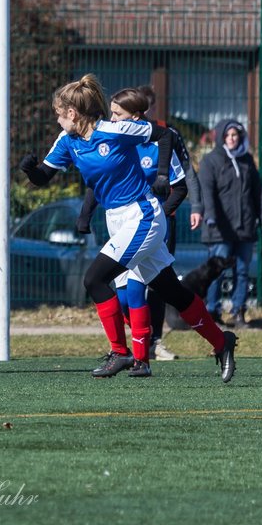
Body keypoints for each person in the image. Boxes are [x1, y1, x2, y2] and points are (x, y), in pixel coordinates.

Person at [19, 74, 238, 381]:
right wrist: (30, 169)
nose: (57, 120)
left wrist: (162, 174)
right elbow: (44, 176)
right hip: (118, 220)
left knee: (94, 280)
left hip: (143, 215)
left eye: (58, 113)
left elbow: (166, 136)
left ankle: (121, 353)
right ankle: (222, 342)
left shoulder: (115, 130)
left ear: (73, 113)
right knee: (170, 290)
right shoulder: (68, 141)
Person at [74, 85, 188, 374]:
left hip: (149, 223)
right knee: (125, 296)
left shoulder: (155, 144)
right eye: (111, 113)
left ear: (138, 116)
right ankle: (142, 346)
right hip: (121, 225)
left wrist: (160, 210)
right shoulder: (115, 140)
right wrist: (85, 215)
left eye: (118, 113)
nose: (112, 119)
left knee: (138, 290)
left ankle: (140, 357)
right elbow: (99, 182)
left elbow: (181, 186)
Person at [198, 118, 262, 328]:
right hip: (220, 228)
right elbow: (207, 193)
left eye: (235, 135)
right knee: (217, 271)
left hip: (244, 227)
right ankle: (212, 311)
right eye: (227, 135)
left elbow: (258, 195)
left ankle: (238, 310)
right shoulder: (210, 161)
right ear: (221, 137)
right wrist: (211, 216)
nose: (231, 139)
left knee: (241, 270)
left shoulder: (247, 160)